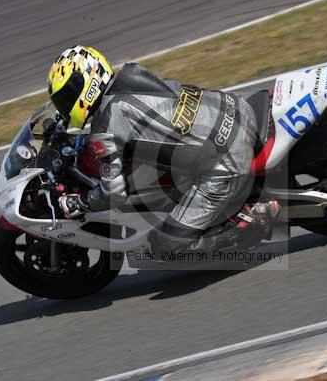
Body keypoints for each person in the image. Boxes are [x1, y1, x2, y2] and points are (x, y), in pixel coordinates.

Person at [48, 45, 278, 256]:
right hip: (236, 107)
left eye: (66, 97)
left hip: (226, 160)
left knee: (164, 245)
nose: (65, 105)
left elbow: (114, 193)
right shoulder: (131, 75)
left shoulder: (106, 125)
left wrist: (80, 202)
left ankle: (253, 223)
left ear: (86, 87)